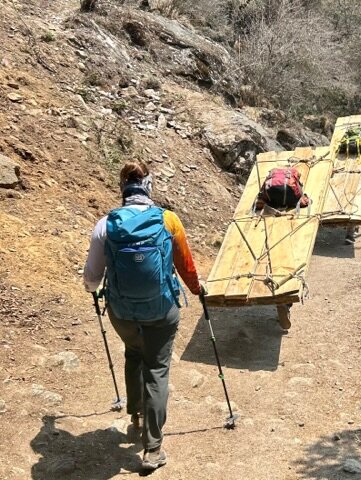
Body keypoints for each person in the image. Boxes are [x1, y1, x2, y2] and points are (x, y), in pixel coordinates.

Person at [83, 162, 204, 471]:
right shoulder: (168, 220)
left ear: (123, 188)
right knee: (157, 369)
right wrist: (197, 288)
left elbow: (92, 277)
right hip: (161, 311)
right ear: (149, 186)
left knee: (133, 353)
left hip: (122, 313)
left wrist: (92, 289)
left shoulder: (105, 225)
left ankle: (136, 415)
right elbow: (185, 265)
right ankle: (152, 449)